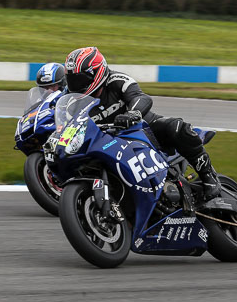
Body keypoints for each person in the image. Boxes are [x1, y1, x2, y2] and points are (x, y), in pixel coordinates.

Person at [63, 46, 221, 199]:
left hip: (143, 129)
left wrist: (133, 113)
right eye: (72, 80)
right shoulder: (73, 105)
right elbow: (71, 129)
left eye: (80, 79)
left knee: (176, 127)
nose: (75, 85)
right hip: (109, 143)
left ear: (97, 72)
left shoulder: (117, 80)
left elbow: (141, 97)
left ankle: (208, 176)